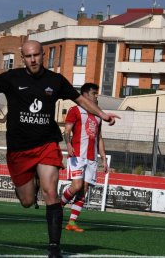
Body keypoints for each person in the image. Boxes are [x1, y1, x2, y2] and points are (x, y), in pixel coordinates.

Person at [0, 40, 119, 258]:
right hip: (19, 149)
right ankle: (32, 181)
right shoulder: (12, 77)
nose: (33, 60)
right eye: (28, 56)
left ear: (43, 55)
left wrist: (103, 115)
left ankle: (54, 248)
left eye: (36, 55)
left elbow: (80, 100)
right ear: (23, 58)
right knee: (27, 201)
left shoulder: (55, 81)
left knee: (51, 192)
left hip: (46, 144)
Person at [61, 83, 109, 232]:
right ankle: (58, 206)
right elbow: (66, 131)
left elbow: (99, 138)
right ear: (86, 95)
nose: (96, 96)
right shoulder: (75, 110)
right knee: (76, 186)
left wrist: (103, 159)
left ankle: (72, 223)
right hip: (77, 156)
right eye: (94, 93)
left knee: (84, 189)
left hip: (91, 158)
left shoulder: (99, 115)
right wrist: (68, 144)